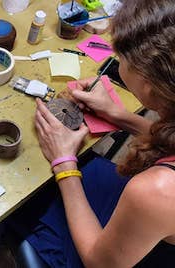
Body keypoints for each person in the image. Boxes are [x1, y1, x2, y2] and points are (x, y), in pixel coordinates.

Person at [19, 0, 175, 266]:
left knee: (26, 209)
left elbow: (100, 263)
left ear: (149, 87)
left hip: (135, 255)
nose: (116, 63)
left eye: (120, 59)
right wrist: (118, 116)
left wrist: (64, 164)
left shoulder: (157, 191)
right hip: (156, 220)